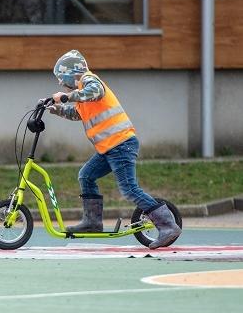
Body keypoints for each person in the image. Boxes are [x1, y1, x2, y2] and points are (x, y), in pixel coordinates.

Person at [47, 49, 181, 249]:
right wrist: (53, 108)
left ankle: (168, 226)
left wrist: (66, 97)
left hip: (121, 144)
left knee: (129, 189)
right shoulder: (83, 95)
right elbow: (77, 114)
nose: (60, 83)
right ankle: (92, 222)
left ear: (70, 73)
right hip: (109, 147)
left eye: (61, 78)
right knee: (86, 175)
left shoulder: (89, 80)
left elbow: (95, 92)